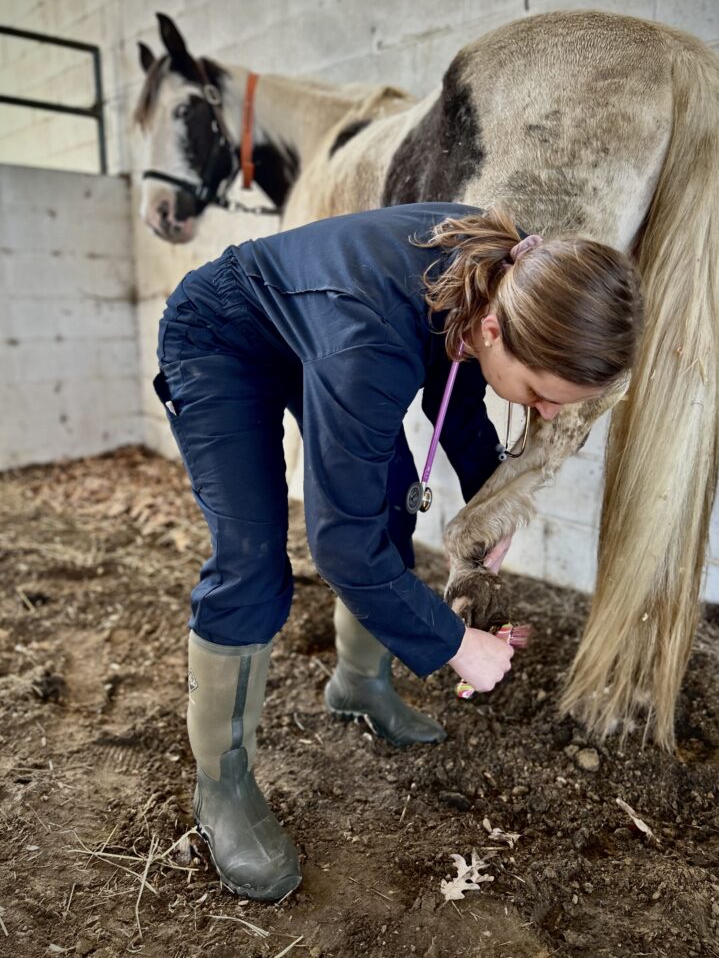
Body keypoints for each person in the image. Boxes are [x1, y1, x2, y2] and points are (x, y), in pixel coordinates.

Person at [153, 201, 643, 902]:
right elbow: (339, 545)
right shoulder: (370, 344)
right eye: (541, 394)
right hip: (222, 337)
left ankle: (359, 685)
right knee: (254, 562)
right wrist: (455, 645)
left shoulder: (499, 275)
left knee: (388, 501)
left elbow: (461, 399)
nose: (549, 414)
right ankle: (221, 787)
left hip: (316, 334)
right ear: (497, 330)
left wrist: (487, 511)